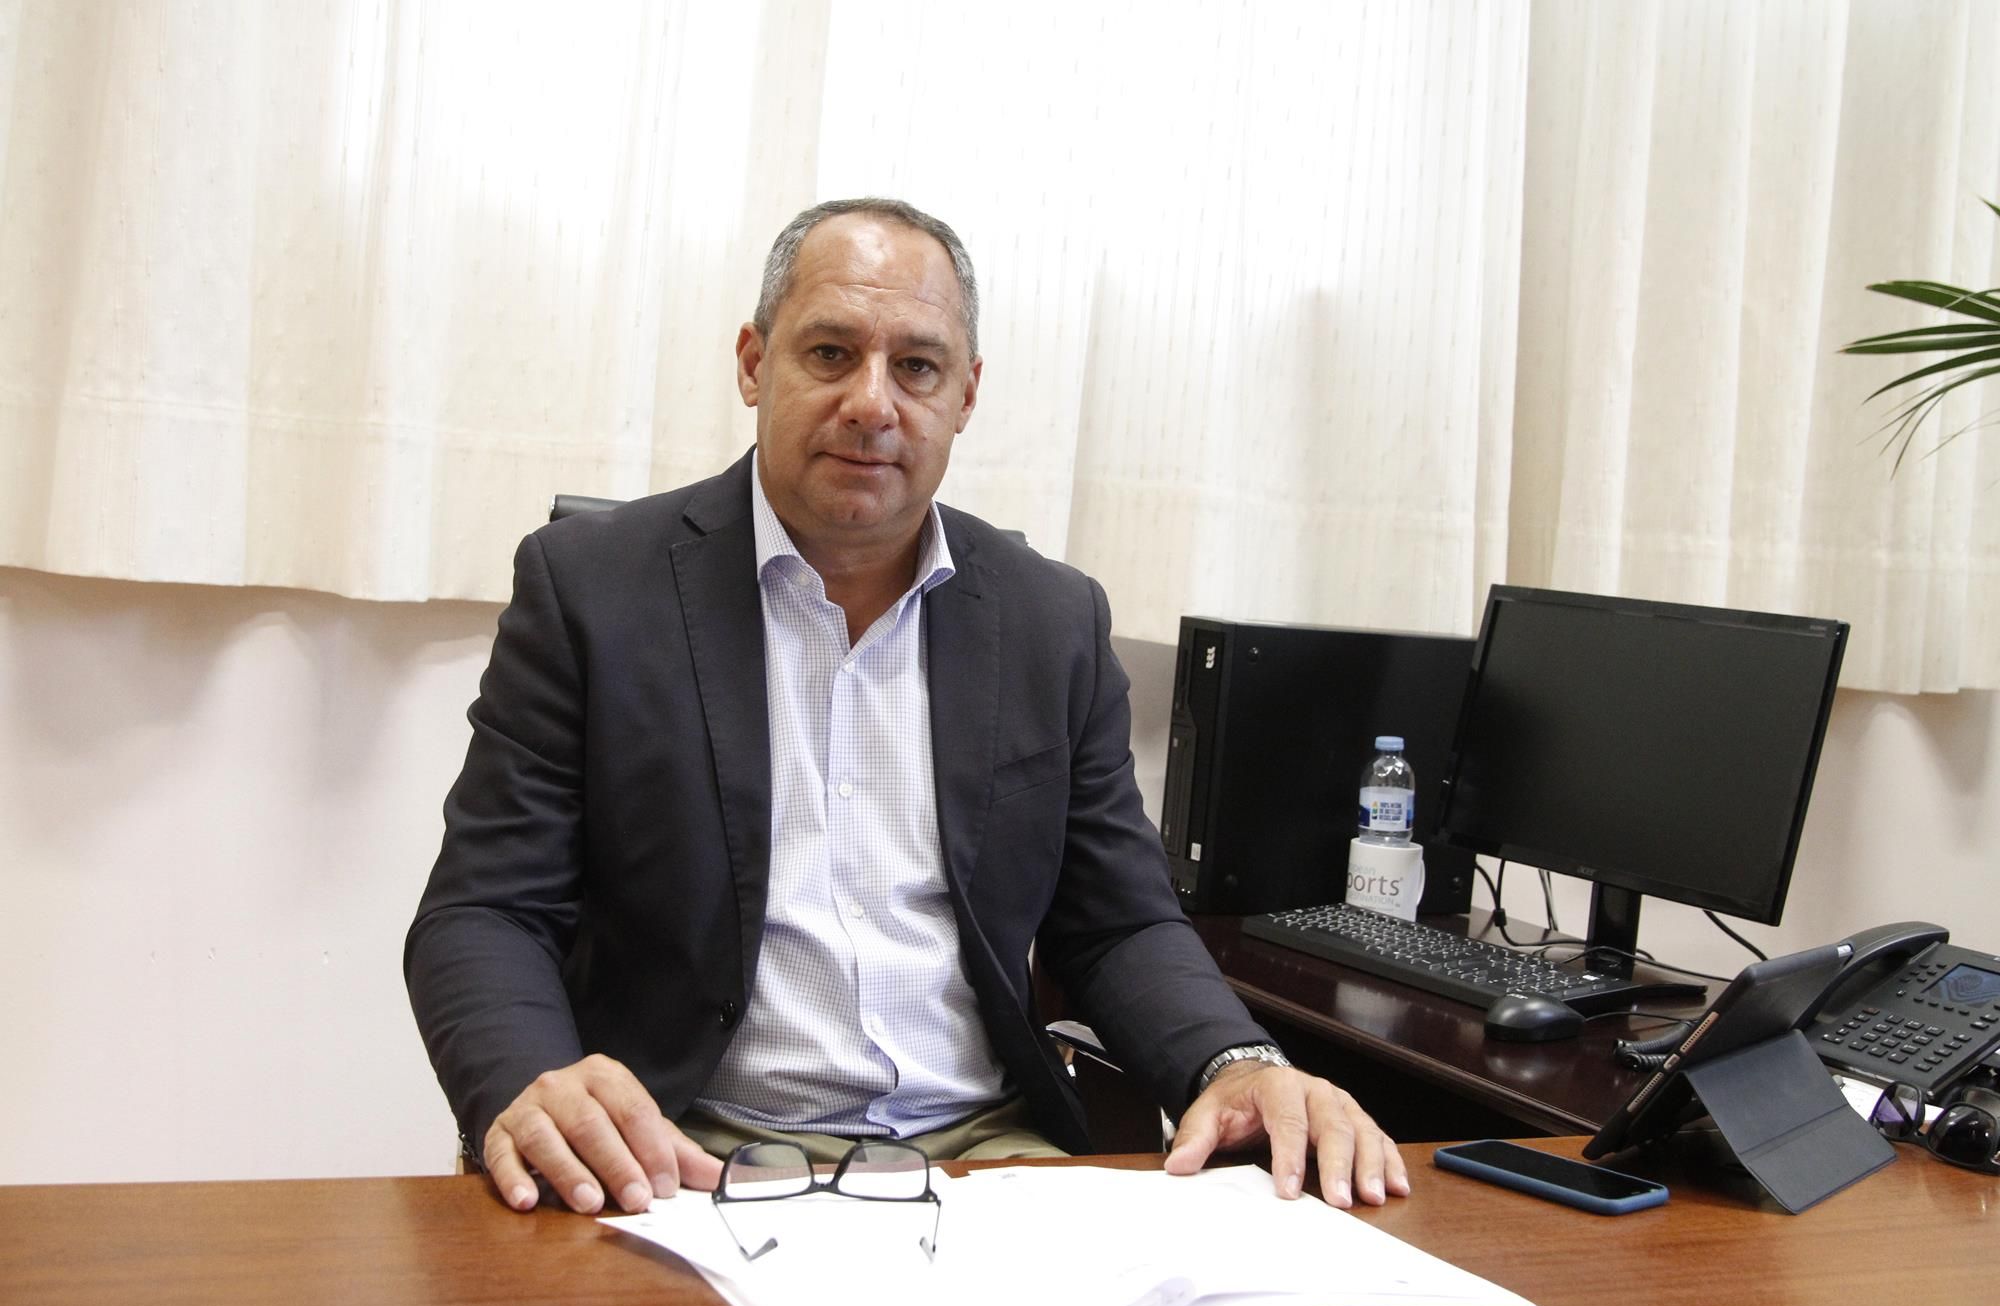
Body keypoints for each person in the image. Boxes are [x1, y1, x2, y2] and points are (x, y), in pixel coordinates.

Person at [406, 197, 1409, 1217]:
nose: (872, 403)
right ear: (753, 362)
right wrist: (533, 1080)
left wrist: (1233, 1063)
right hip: (686, 1156)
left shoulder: (1049, 619)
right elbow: (485, 907)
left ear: (965, 395)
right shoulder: (591, 589)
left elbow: (1117, 923)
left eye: (916, 368)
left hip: (983, 1157)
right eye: (830, 353)